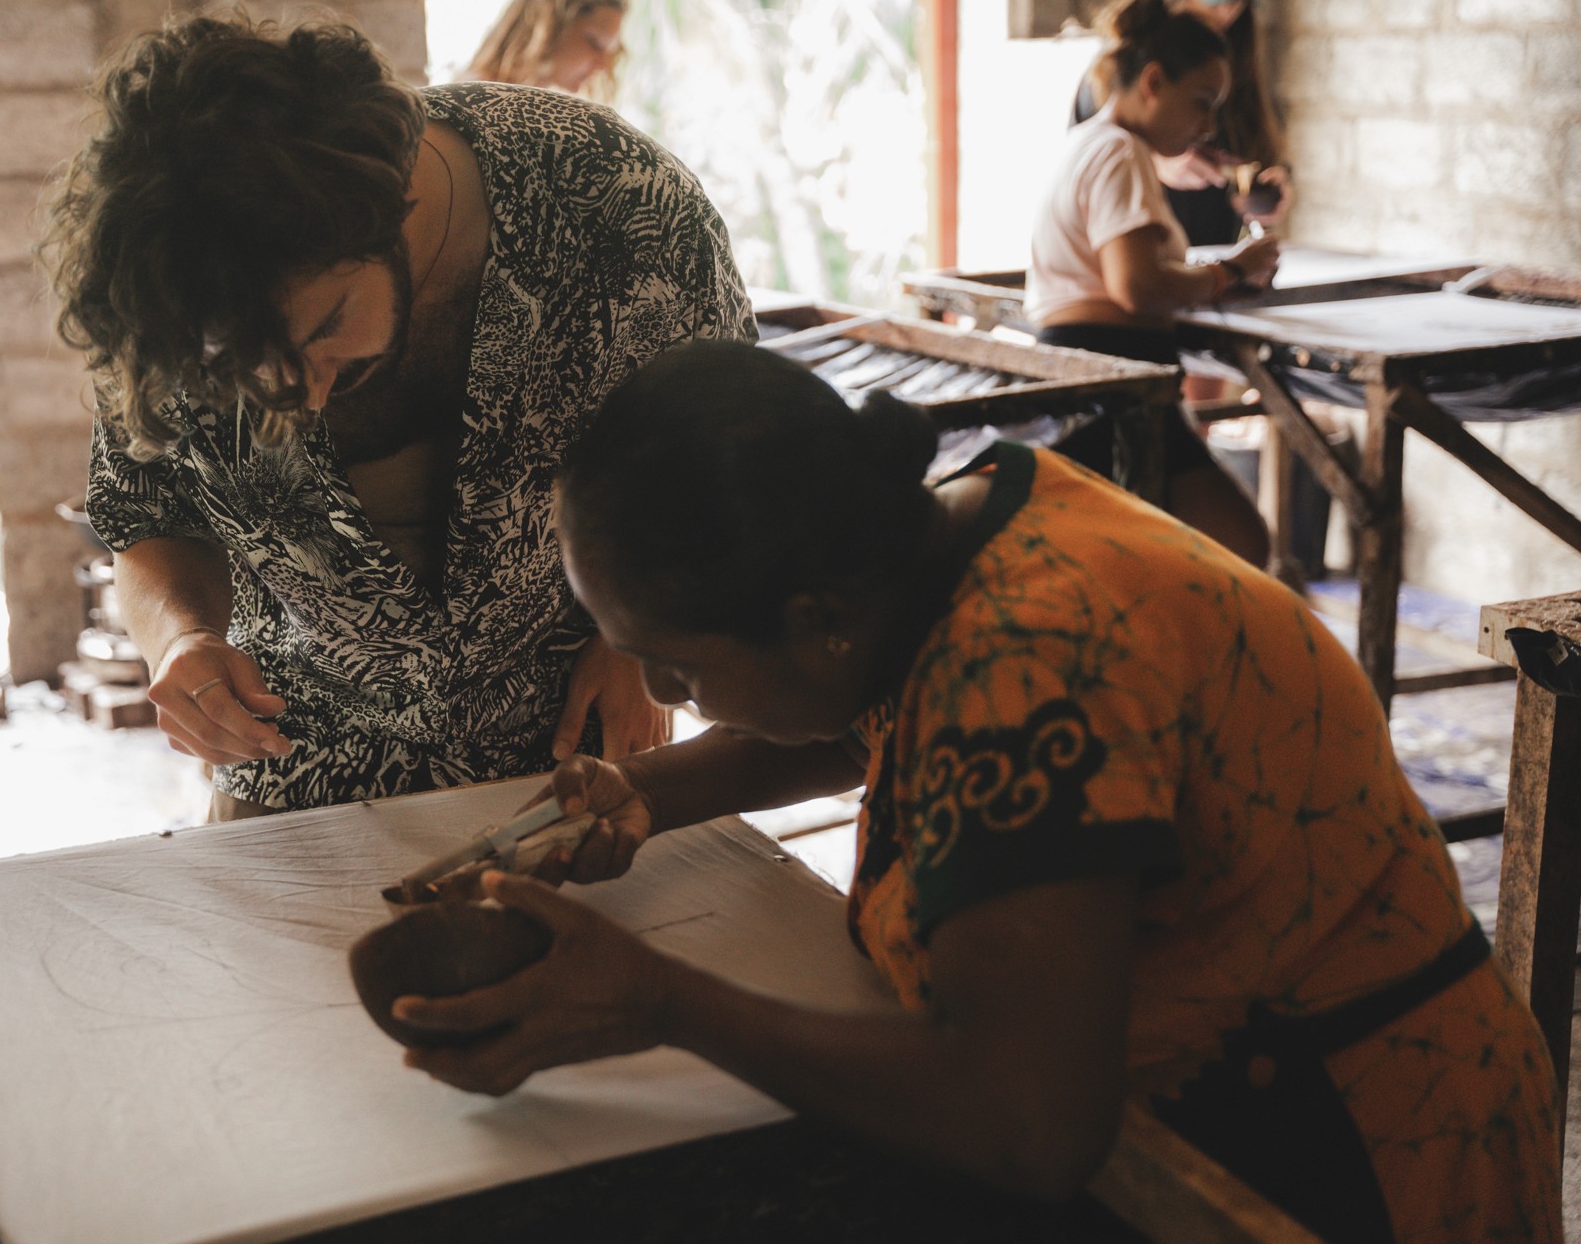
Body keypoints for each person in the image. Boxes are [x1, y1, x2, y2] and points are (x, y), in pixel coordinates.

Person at [393, 341, 1562, 1244]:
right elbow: (869, 707)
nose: (658, 689)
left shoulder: (1035, 659)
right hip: (1243, 1092)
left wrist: (656, 999)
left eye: (679, 664)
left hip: (1347, 1152)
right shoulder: (939, 536)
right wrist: (642, 792)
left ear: (817, 623)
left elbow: (1028, 1122)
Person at [45, 15, 752, 820]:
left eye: (324, 328)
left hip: (580, 748)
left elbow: (716, 451)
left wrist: (643, 631)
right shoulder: (167, 290)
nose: (303, 398)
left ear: (392, 199)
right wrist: (181, 637)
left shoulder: (614, 202)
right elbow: (149, 513)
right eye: (239, 373)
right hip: (290, 763)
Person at [1027, 0, 1278, 567]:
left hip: (1095, 374)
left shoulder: (1090, 142)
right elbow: (1135, 287)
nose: (1208, 124)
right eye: (1201, 103)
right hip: (1111, 381)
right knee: (1240, 545)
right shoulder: (1119, 152)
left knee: (1184, 551)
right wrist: (1232, 270)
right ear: (1154, 82)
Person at [1073, 0, 1293, 248]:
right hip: (1139, 249)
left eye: (1238, 0)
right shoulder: (1118, 69)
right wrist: (1156, 162)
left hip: (1208, 248)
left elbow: (1262, 140)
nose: (1228, 10)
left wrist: (1274, 181)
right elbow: (1089, 154)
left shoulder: (1239, 62)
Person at [465, 0, 628, 99]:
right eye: (595, 43)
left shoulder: (534, 107)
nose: (603, 64)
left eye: (609, 51)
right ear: (551, 27)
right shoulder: (473, 97)